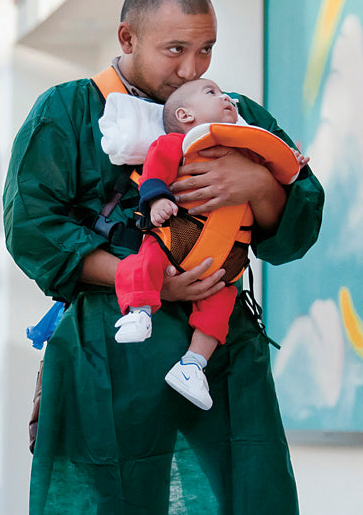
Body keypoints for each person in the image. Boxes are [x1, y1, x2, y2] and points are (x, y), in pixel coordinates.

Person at [2, 0, 324, 513]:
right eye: (175, 49)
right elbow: (32, 229)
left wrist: (260, 185)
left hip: (219, 349)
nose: (192, 68)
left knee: (250, 491)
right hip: (111, 349)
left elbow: (298, 225)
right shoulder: (66, 114)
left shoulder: (232, 113)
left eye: (206, 50)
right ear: (127, 38)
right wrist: (148, 283)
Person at [111, 78, 310, 412]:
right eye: (212, 93)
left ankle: (192, 366)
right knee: (142, 263)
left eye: (224, 93)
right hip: (177, 240)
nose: (226, 97)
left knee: (218, 312)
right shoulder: (181, 143)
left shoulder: (248, 153)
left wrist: (291, 161)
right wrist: (156, 199)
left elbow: (279, 175)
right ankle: (139, 311)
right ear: (186, 115)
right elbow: (156, 167)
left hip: (225, 263)